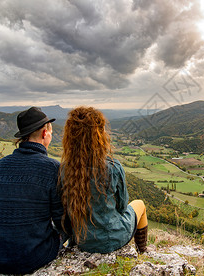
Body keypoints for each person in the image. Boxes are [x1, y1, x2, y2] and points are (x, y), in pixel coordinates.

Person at [0, 107, 69, 274]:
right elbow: (61, 219)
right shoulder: (52, 168)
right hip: (31, 257)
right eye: (50, 132)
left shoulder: (1, 165)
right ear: (44, 134)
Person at [59, 106, 148, 254]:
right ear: (98, 135)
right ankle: (143, 251)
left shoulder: (64, 169)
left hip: (81, 240)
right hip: (112, 238)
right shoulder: (112, 167)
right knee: (140, 204)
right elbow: (122, 206)